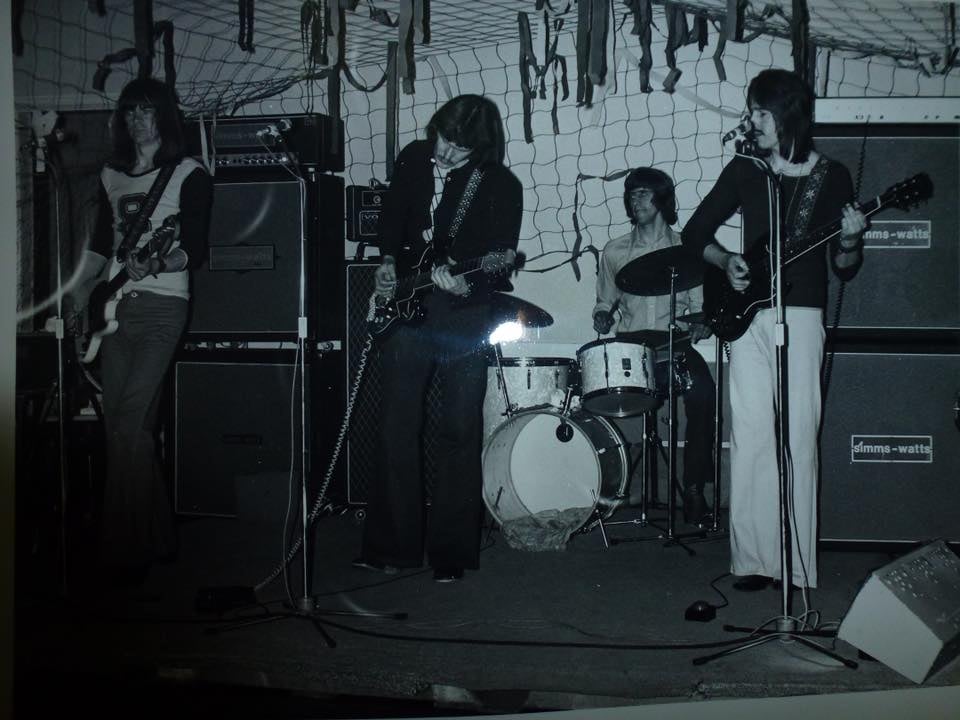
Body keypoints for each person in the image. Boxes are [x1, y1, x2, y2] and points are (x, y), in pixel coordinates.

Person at [682, 69, 866, 591]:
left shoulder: (831, 176)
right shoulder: (747, 170)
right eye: (751, 112)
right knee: (751, 437)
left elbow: (844, 267)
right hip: (748, 316)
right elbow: (695, 232)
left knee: (798, 439)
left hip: (801, 315)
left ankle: (796, 565)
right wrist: (726, 261)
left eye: (760, 113)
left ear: (787, 115)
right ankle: (751, 560)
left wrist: (851, 240)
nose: (752, 121)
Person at [354, 94, 523, 583]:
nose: (445, 152)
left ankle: (451, 552)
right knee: (395, 423)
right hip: (407, 303)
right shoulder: (413, 157)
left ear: (480, 147)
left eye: (459, 147)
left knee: (458, 427)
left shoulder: (499, 184)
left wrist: (465, 282)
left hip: (464, 314)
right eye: (443, 139)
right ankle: (391, 546)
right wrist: (386, 262)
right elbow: (393, 216)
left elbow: (499, 260)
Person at [70, 77, 212, 584]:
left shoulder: (189, 173)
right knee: (123, 427)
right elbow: (100, 244)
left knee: (130, 422)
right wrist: (78, 294)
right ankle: (156, 540)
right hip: (114, 310)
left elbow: (195, 248)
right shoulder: (110, 175)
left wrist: (154, 264)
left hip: (162, 307)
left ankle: (120, 550)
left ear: (164, 117)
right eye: (129, 111)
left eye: (146, 111)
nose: (136, 120)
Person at [592, 167, 716, 524]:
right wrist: (601, 316)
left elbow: (699, 307)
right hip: (630, 344)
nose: (636, 200)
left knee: (704, 392)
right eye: (631, 194)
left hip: (673, 342)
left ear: (662, 199)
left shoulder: (687, 250)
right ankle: (603, 487)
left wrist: (703, 323)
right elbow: (604, 302)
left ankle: (694, 489)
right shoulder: (614, 251)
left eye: (644, 193)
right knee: (593, 395)